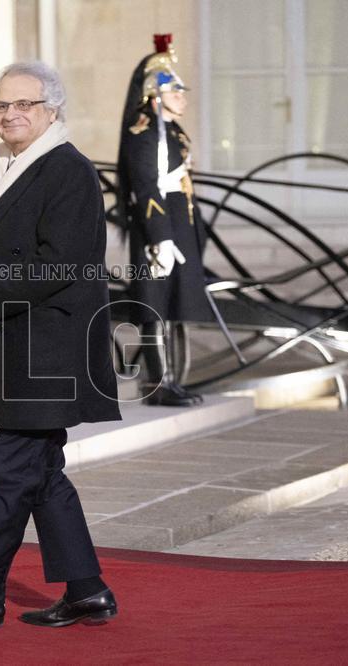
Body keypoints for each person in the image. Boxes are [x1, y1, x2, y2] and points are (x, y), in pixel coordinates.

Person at [0, 62, 122, 631]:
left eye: (24, 105)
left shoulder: (67, 171)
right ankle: (87, 591)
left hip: (49, 349)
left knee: (14, 472)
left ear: (51, 110)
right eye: (1, 106)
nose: (10, 115)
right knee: (39, 473)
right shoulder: (5, 167)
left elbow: (60, 263)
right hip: (20, 343)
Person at [117, 34, 210, 406]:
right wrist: (160, 238)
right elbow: (146, 187)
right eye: (174, 90)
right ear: (155, 94)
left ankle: (172, 380)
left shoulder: (170, 131)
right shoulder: (144, 133)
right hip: (160, 233)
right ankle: (157, 384)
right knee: (155, 308)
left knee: (174, 307)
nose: (182, 96)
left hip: (177, 229)